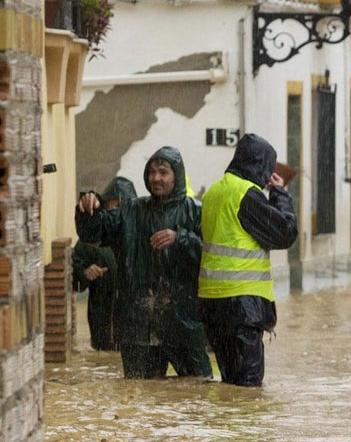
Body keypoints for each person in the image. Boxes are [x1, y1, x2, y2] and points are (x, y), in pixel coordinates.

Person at [76, 147, 212, 379]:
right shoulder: (131, 210)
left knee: (200, 389)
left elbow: (210, 256)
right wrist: (91, 208)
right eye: (151, 172)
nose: (156, 178)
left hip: (184, 324)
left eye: (163, 172)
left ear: (176, 175)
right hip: (138, 327)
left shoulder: (195, 212)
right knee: (140, 396)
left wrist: (181, 238)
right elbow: (95, 234)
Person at [198, 133, 298, 387]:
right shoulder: (245, 194)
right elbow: (285, 234)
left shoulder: (214, 192)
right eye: (268, 168)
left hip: (212, 304)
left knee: (230, 384)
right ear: (259, 165)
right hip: (242, 306)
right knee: (248, 389)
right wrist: (280, 194)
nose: (267, 177)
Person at [71, 176, 138, 351]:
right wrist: (84, 273)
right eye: (114, 206)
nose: (118, 212)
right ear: (105, 206)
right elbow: (74, 283)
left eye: (123, 206)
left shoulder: (142, 238)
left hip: (134, 334)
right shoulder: (90, 242)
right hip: (102, 333)